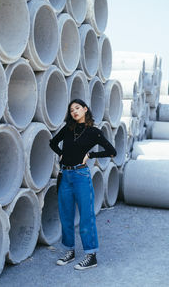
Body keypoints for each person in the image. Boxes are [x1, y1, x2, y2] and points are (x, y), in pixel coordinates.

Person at [49, 99, 117, 270]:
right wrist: (61, 154)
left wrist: (91, 155)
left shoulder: (94, 132)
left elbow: (112, 151)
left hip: (81, 175)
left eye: (77, 108)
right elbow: (52, 142)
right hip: (66, 175)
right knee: (66, 215)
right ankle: (69, 251)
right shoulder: (68, 129)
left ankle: (91, 255)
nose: (74, 112)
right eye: (71, 109)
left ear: (85, 109)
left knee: (86, 215)